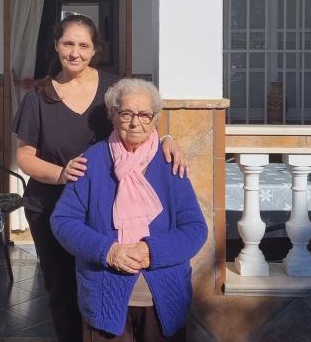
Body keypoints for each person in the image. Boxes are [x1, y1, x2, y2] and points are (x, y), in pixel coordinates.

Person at [13, 15, 188, 342]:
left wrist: (167, 140)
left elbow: (141, 122)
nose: (75, 52)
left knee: (100, 284)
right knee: (62, 288)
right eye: (68, 44)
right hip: (52, 205)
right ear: (56, 46)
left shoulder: (113, 87)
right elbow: (24, 156)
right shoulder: (38, 96)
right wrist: (61, 174)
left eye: (83, 45)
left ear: (94, 50)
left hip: (104, 208)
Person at [51, 78, 207, 342]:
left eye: (145, 115)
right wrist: (108, 251)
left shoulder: (170, 161)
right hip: (104, 295)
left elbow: (195, 229)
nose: (136, 123)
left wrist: (151, 251)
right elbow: (63, 221)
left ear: (155, 118)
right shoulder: (92, 160)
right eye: (126, 113)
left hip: (164, 299)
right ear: (113, 114)